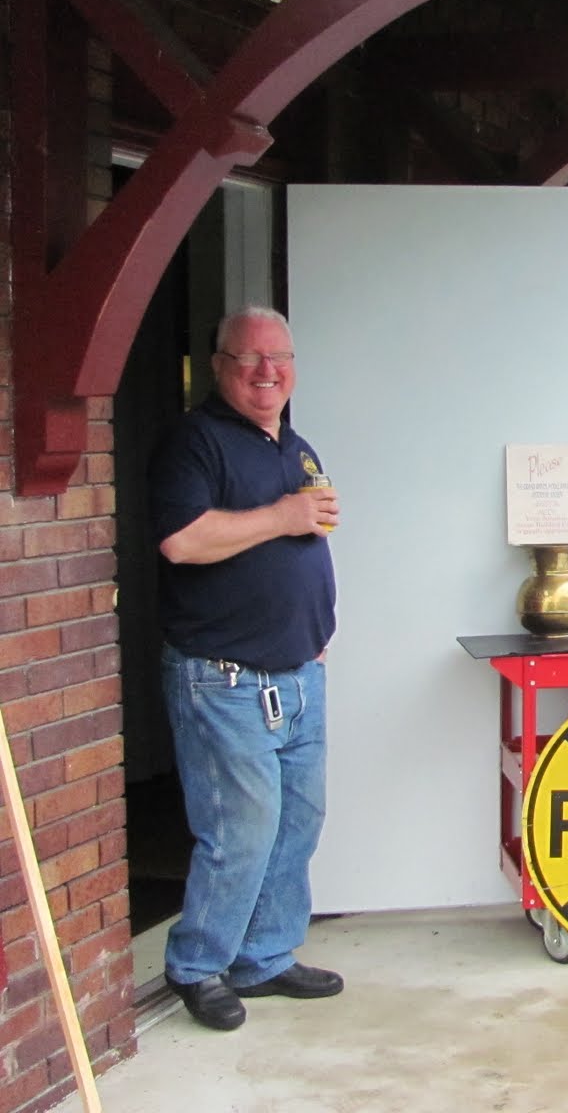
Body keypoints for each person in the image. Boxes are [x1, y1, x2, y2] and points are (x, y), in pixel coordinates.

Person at [150, 306, 345, 1032]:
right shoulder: (193, 442)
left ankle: (263, 957)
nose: (268, 372)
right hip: (223, 679)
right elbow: (182, 541)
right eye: (249, 358)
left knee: (298, 822)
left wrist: (314, 628)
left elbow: (304, 541)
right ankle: (197, 965)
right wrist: (285, 517)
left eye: (280, 358)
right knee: (242, 828)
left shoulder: (293, 446)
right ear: (218, 365)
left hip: (298, 675)